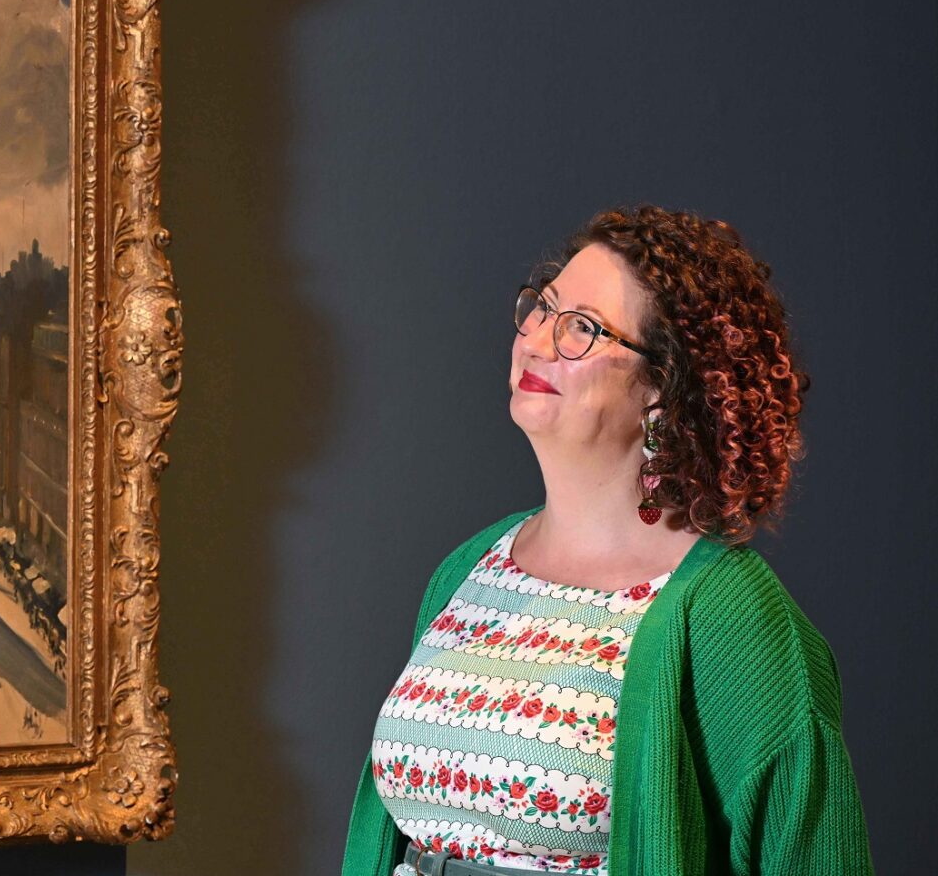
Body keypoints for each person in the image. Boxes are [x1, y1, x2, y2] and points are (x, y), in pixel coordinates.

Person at [343, 206, 872, 876]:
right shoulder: (466, 571)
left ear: (663, 386)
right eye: (541, 309)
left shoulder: (729, 620)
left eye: (582, 330)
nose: (535, 340)